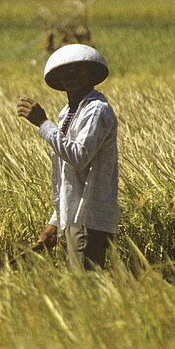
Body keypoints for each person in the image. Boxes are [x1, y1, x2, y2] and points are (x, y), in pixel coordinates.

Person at [16, 44, 119, 270]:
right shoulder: (68, 112)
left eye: (78, 70)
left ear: (92, 74)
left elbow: (79, 157)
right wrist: (55, 222)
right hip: (74, 219)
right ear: (58, 79)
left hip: (89, 218)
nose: (70, 75)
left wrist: (43, 124)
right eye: (65, 71)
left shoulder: (96, 110)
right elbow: (69, 178)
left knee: (86, 287)